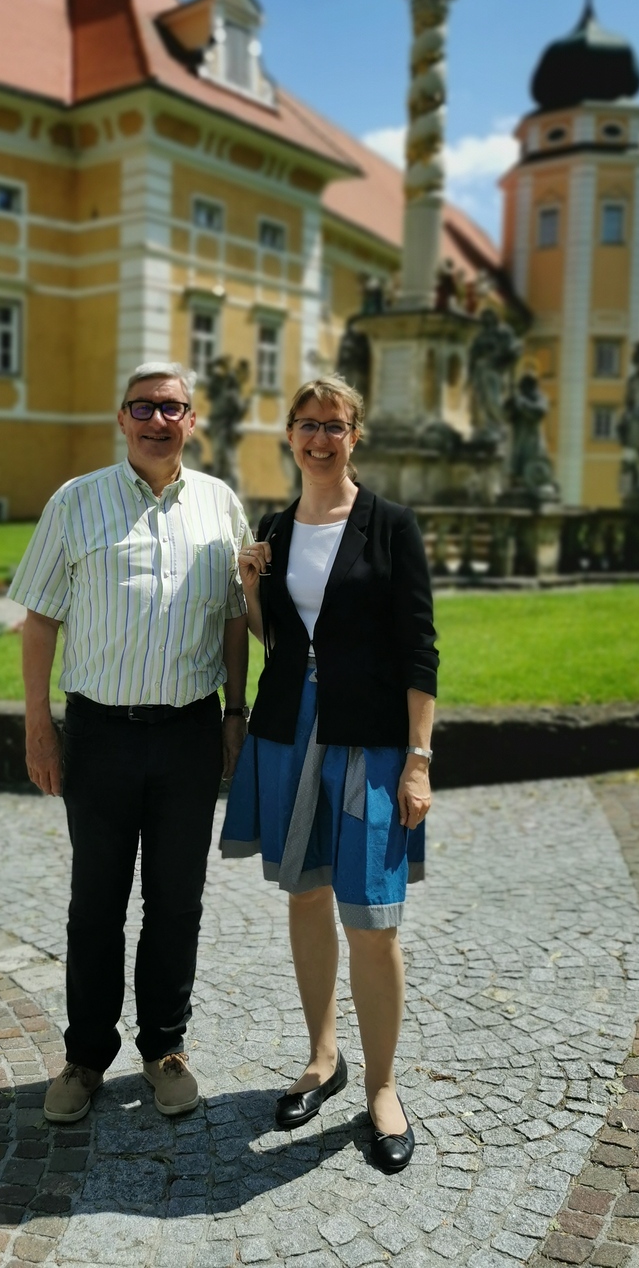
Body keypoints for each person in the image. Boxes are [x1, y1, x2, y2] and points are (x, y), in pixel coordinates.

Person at [9, 362, 251, 1124]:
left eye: (171, 408)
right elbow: (39, 619)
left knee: (176, 902)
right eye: (142, 408)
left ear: (191, 420)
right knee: (95, 904)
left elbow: (236, 618)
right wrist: (38, 724)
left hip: (187, 735)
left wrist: (235, 711)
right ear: (121, 419)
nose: (157, 421)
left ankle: (163, 1048)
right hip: (100, 735)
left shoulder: (219, 505)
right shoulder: (75, 502)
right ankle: (85, 1057)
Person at [220, 375, 438, 1175]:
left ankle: (382, 1088)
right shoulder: (275, 529)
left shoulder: (391, 526)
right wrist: (251, 588)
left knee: (373, 919)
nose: (319, 439)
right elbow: (277, 640)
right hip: (289, 732)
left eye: (334, 425)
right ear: (289, 435)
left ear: (354, 435)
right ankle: (322, 1057)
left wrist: (418, 760)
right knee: (305, 893)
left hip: (370, 740)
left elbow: (419, 648)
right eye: (306, 425)